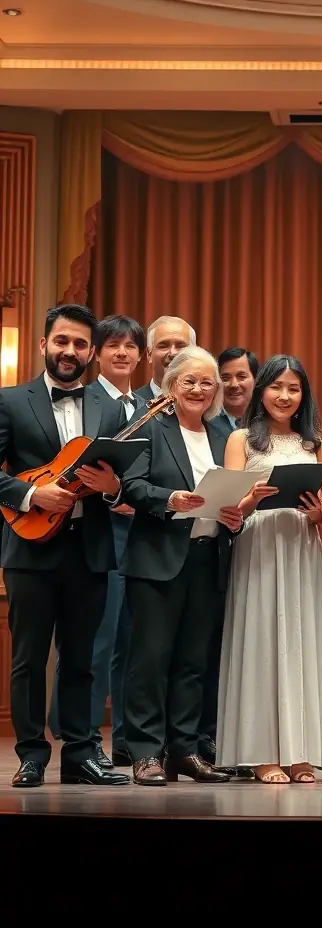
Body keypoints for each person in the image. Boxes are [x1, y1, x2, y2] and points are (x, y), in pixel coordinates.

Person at [0, 304, 130, 787]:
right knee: (29, 659)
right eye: (61, 342)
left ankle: (79, 753)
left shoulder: (111, 409)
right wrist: (33, 493)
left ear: (91, 352)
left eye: (79, 344)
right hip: (30, 550)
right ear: (44, 345)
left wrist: (112, 488)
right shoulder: (11, 400)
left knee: (81, 658)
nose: (69, 351)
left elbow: (129, 479)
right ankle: (32, 754)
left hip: (91, 549)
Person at [120, 346, 242, 785]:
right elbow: (131, 485)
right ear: (171, 386)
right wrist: (169, 500)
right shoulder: (152, 429)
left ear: (216, 391)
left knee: (194, 662)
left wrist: (235, 516)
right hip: (157, 559)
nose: (198, 389)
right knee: (151, 660)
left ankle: (183, 751)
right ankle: (147, 753)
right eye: (188, 380)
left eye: (207, 382)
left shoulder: (223, 435)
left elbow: (230, 494)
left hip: (208, 558)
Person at [217, 355, 322, 783]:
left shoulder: (313, 443)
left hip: (301, 543)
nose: (285, 396)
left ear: (303, 396)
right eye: (277, 387)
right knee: (261, 640)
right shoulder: (242, 440)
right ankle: (260, 751)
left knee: (300, 642)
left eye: (294, 388)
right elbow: (228, 504)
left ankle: (300, 752)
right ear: (262, 390)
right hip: (258, 541)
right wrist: (249, 500)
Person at [49, 314, 147, 770]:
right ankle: (82, 739)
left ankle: (125, 742)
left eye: (131, 347)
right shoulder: (82, 399)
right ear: (95, 354)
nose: (122, 353)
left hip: (140, 536)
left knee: (131, 642)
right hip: (91, 534)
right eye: (112, 346)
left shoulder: (149, 404)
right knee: (95, 643)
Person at [197, 346, 259, 768]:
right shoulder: (209, 426)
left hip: (259, 549)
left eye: (243, 376)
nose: (234, 384)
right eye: (227, 377)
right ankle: (205, 737)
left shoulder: (269, 427)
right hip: (211, 547)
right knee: (207, 650)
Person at [135, 315, 195, 401]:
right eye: (163, 346)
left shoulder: (211, 409)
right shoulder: (129, 407)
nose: (173, 353)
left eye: (181, 346)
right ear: (149, 354)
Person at [210, 347, 259, 434]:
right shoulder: (207, 420)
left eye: (242, 377)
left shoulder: (267, 420)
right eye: (225, 378)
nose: (234, 385)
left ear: (256, 379)